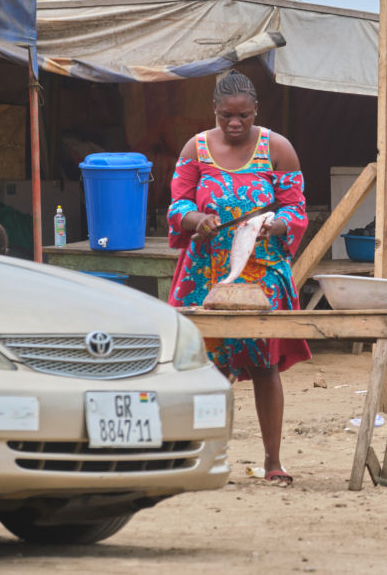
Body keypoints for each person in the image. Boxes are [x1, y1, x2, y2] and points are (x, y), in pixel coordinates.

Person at [167, 69, 308, 486]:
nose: (234, 123)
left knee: (264, 365)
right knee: (208, 365)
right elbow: (176, 207)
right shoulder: (195, 149)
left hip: (260, 275)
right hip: (205, 272)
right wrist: (197, 219)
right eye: (227, 115)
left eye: (243, 116)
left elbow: (296, 210)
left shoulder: (278, 149)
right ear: (214, 110)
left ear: (255, 111)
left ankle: (273, 461)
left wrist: (274, 225)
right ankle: (205, 458)